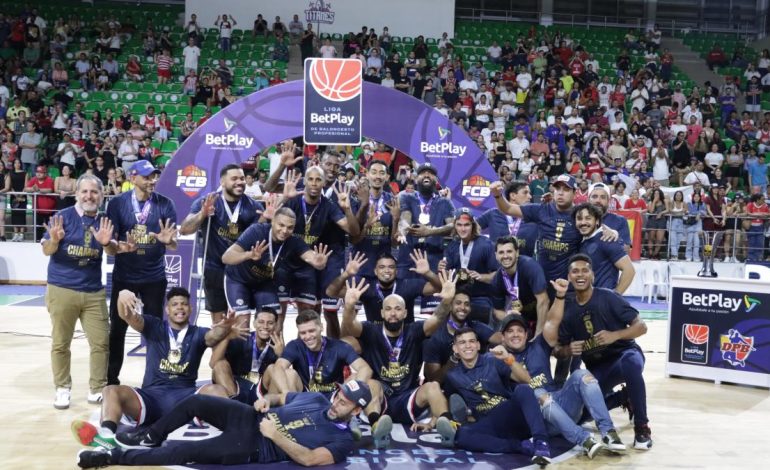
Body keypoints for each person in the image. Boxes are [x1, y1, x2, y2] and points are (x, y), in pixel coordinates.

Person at [72, 287, 242, 449]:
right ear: (167, 310)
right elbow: (127, 315)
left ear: (191, 309)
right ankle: (106, 436)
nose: (180, 307)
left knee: (217, 390)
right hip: (150, 399)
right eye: (175, 304)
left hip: (187, 399)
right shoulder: (154, 326)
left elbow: (214, 335)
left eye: (184, 304)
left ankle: (238, 431)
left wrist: (225, 328)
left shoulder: (198, 332)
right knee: (110, 390)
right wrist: (122, 295)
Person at [75, 380, 372, 468]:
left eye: (345, 402)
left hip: (254, 445)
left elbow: (309, 459)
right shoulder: (318, 399)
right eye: (339, 395)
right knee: (196, 402)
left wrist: (275, 435)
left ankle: (111, 457)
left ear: (357, 410)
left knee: (183, 451)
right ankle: (151, 435)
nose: (337, 402)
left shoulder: (342, 441)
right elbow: (280, 396)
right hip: (250, 416)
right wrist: (265, 401)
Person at [493, 285, 627, 458]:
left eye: (520, 330)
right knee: (537, 392)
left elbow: (553, 321)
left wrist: (560, 295)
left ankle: (608, 432)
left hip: (562, 405)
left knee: (581, 375)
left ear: (527, 334)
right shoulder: (499, 357)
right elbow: (523, 380)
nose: (515, 334)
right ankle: (584, 439)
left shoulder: (539, 345)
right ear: (503, 337)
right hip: (537, 421)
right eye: (510, 331)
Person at [340, 271, 457, 449]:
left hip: (408, 397)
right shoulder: (370, 330)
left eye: (397, 309)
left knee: (432, 386)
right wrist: (349, 306)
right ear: (382, 313)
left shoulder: (415, 330)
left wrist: (447, 301)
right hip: (380, 399)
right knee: (371, 384)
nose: (393, 313)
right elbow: (350, 325)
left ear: (405, 313)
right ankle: (377, 425)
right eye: (388, 309)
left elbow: (437, 318)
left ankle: (448, 425)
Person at [558, 254, 652, 450]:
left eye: (585, 270)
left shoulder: (608, 297)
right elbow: (557, 350)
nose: (580, 275)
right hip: (599, 369)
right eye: (575, 271)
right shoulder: (568, 310)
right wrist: (567, 349)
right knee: (580, 416)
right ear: (569, 276)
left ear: (592, 274)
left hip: (624, 355)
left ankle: (642, 428)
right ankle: (623, 398)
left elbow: (641, 327)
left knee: (631, 364)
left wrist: (615, 335)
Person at [104, 160, 177, 385]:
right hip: (124, 277)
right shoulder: (117, 204)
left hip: (154, 278)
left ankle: (156, 380)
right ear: (132, 177)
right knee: (117, 330)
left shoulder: (166, 204)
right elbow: (110, 245)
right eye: (147, 177)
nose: (152, 180)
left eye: (154, 176)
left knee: (154, 331)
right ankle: (111, 381)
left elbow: (173, 244)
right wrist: (120, 247)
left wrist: (169, 241)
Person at [43, 175, 112, 410]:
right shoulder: (62, 216)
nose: (89, 196)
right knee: (61, 343)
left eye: (94, 192)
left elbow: (112, 249)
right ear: (76, 194)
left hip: (93, 291)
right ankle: (62, 388)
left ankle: (97, 389)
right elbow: (46, 250)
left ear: (101, 195)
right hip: (62, 289)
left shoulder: (105, 220)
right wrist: (54, 240)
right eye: (84, 191)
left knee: (101, 343)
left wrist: (107, 243)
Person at [440, 327, 552, 466]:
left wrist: (508, 358)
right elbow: (446, 401)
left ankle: (541, 442)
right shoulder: (453, 376)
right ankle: (522, 446)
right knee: (461, 437)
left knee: (523, 389)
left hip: (511, 414)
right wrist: (433, 421)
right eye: (462, 342)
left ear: (478, 345)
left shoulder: (492, 360)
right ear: (455, 348)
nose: (468, 345)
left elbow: (526, 380)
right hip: (490, 424)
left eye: (472, 341)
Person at [179, 165, 264, 323]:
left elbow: (259, 238)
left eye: (242, 178)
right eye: (234, 178)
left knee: (242, 324)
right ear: (222, 182)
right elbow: (184, 230)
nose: (240, 182)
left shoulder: (253, 206)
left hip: (241, 271)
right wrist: (202, 214)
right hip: (214, 269)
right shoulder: (208, 201)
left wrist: (266, 219)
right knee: (219, 324)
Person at [221, 206, 332, 327]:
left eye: (290, 227)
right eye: (281, 225)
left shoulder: (293, 241)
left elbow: (311, 257)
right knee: (242, 324)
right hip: (238, 280)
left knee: (273, 323)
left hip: (263, 283)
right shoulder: (256, 231)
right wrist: (249, 255)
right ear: (273, 221)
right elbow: (226, 257)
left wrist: (319, 263)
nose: (285, 231)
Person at [269, 310, 372, 399]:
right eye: (303, 333)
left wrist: (348, 394)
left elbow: (365, 368)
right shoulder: (295, 346)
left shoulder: (339, 346)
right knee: (288, 373)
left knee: (357, 378)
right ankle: (285, 409)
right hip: (303, 397)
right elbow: (279, 367)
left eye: (311, 331)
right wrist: (286, 393)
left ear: (321, 327)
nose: (307, 336)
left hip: (333, 398)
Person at [395, 162, 455, 314]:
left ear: (436, 180)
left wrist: (430, 232)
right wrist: (403, 229)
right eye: (422, 173)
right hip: (408, 262)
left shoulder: (445, 202)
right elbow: (405, 218)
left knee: (433, 316)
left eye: (431, 173)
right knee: (402, 314)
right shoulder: (407, 197)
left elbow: (453, 227)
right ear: (416, 178)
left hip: (433, 265)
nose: (427, 175)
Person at [325, 251, 441, 323]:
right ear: (375, 271)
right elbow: (331, 292)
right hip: (376, 339)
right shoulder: (366, 287)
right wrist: (346, 274)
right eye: (382, 267)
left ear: (396, 271)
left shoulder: (407, 285)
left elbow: (438, 288)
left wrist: (428, 273)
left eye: (391, 267)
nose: (387, 270)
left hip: (405, 337)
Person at [423, 287, 502, 382]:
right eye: (458, 303)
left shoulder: (475, 326)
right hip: (448, 385)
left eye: (466, 304)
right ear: (450, 306)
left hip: (474, 381)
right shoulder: (436, 337)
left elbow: (500, 339)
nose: (463, 308)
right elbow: (434, 380)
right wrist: (453, 360)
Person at [207, 307, 284, 404]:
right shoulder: (241, 337)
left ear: (276, 325)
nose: (265, 326)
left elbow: (284, 377)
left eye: (270, 323)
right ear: (254, 323)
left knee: (274, 368)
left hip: (260, 391)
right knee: (220, 365)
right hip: (235, 388)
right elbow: (213, 364)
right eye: (261, 322)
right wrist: (227, 338)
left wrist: (281, 355)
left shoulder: (278, 346)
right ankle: (235, 405)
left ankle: (269, 408)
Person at [439, 208, 500, 323]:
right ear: (454, 226)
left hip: (480, 298)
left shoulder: (486, 245)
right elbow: (447, 276)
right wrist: (442, 270)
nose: (462, 229)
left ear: (473, 225)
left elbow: (498, 275)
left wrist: (481, 277)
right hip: (456, 297)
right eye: (459, 225)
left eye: (466, 225)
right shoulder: (452, 245)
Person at [488, 236, 550, 331]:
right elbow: (497, 311)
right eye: (501, 252)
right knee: (492, 316)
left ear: (517, 253)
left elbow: (543, 301)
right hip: (520, 315)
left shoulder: (530, 267)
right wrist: (508, 316)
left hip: (544, 314)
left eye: (509, 251)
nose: (505, 256)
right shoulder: (497, 279)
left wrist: (539, 334)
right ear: (496, 255)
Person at [573, 203, 635, 292]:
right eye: (579, 219)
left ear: (597, 221)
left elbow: (629, 270)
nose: (583, 222)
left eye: (588, 218)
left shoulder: (607, 239)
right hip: (586, 297)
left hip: (603, 298)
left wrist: (615, 296)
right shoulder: (581, 240)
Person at [476, 181, 539, 257]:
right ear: (513, 196)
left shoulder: (534, 217)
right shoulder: (493, 214)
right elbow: (470, 228)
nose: (530, 196)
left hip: (523, 263)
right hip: (495, 263)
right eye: (525, 192)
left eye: (529, 193)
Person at [24, 164, 56, 241]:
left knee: (50, 227)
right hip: (37, 210)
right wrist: (32, 189)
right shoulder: (33, 179)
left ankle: (50, 241)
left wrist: (38, 190)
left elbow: (49, 190)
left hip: (50, 210)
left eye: (41, 172)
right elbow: (26, 189)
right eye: (37, 172)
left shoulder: (49, 180)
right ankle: (37, 240)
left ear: (45, 173)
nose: (38, 174)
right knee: (38, 226)